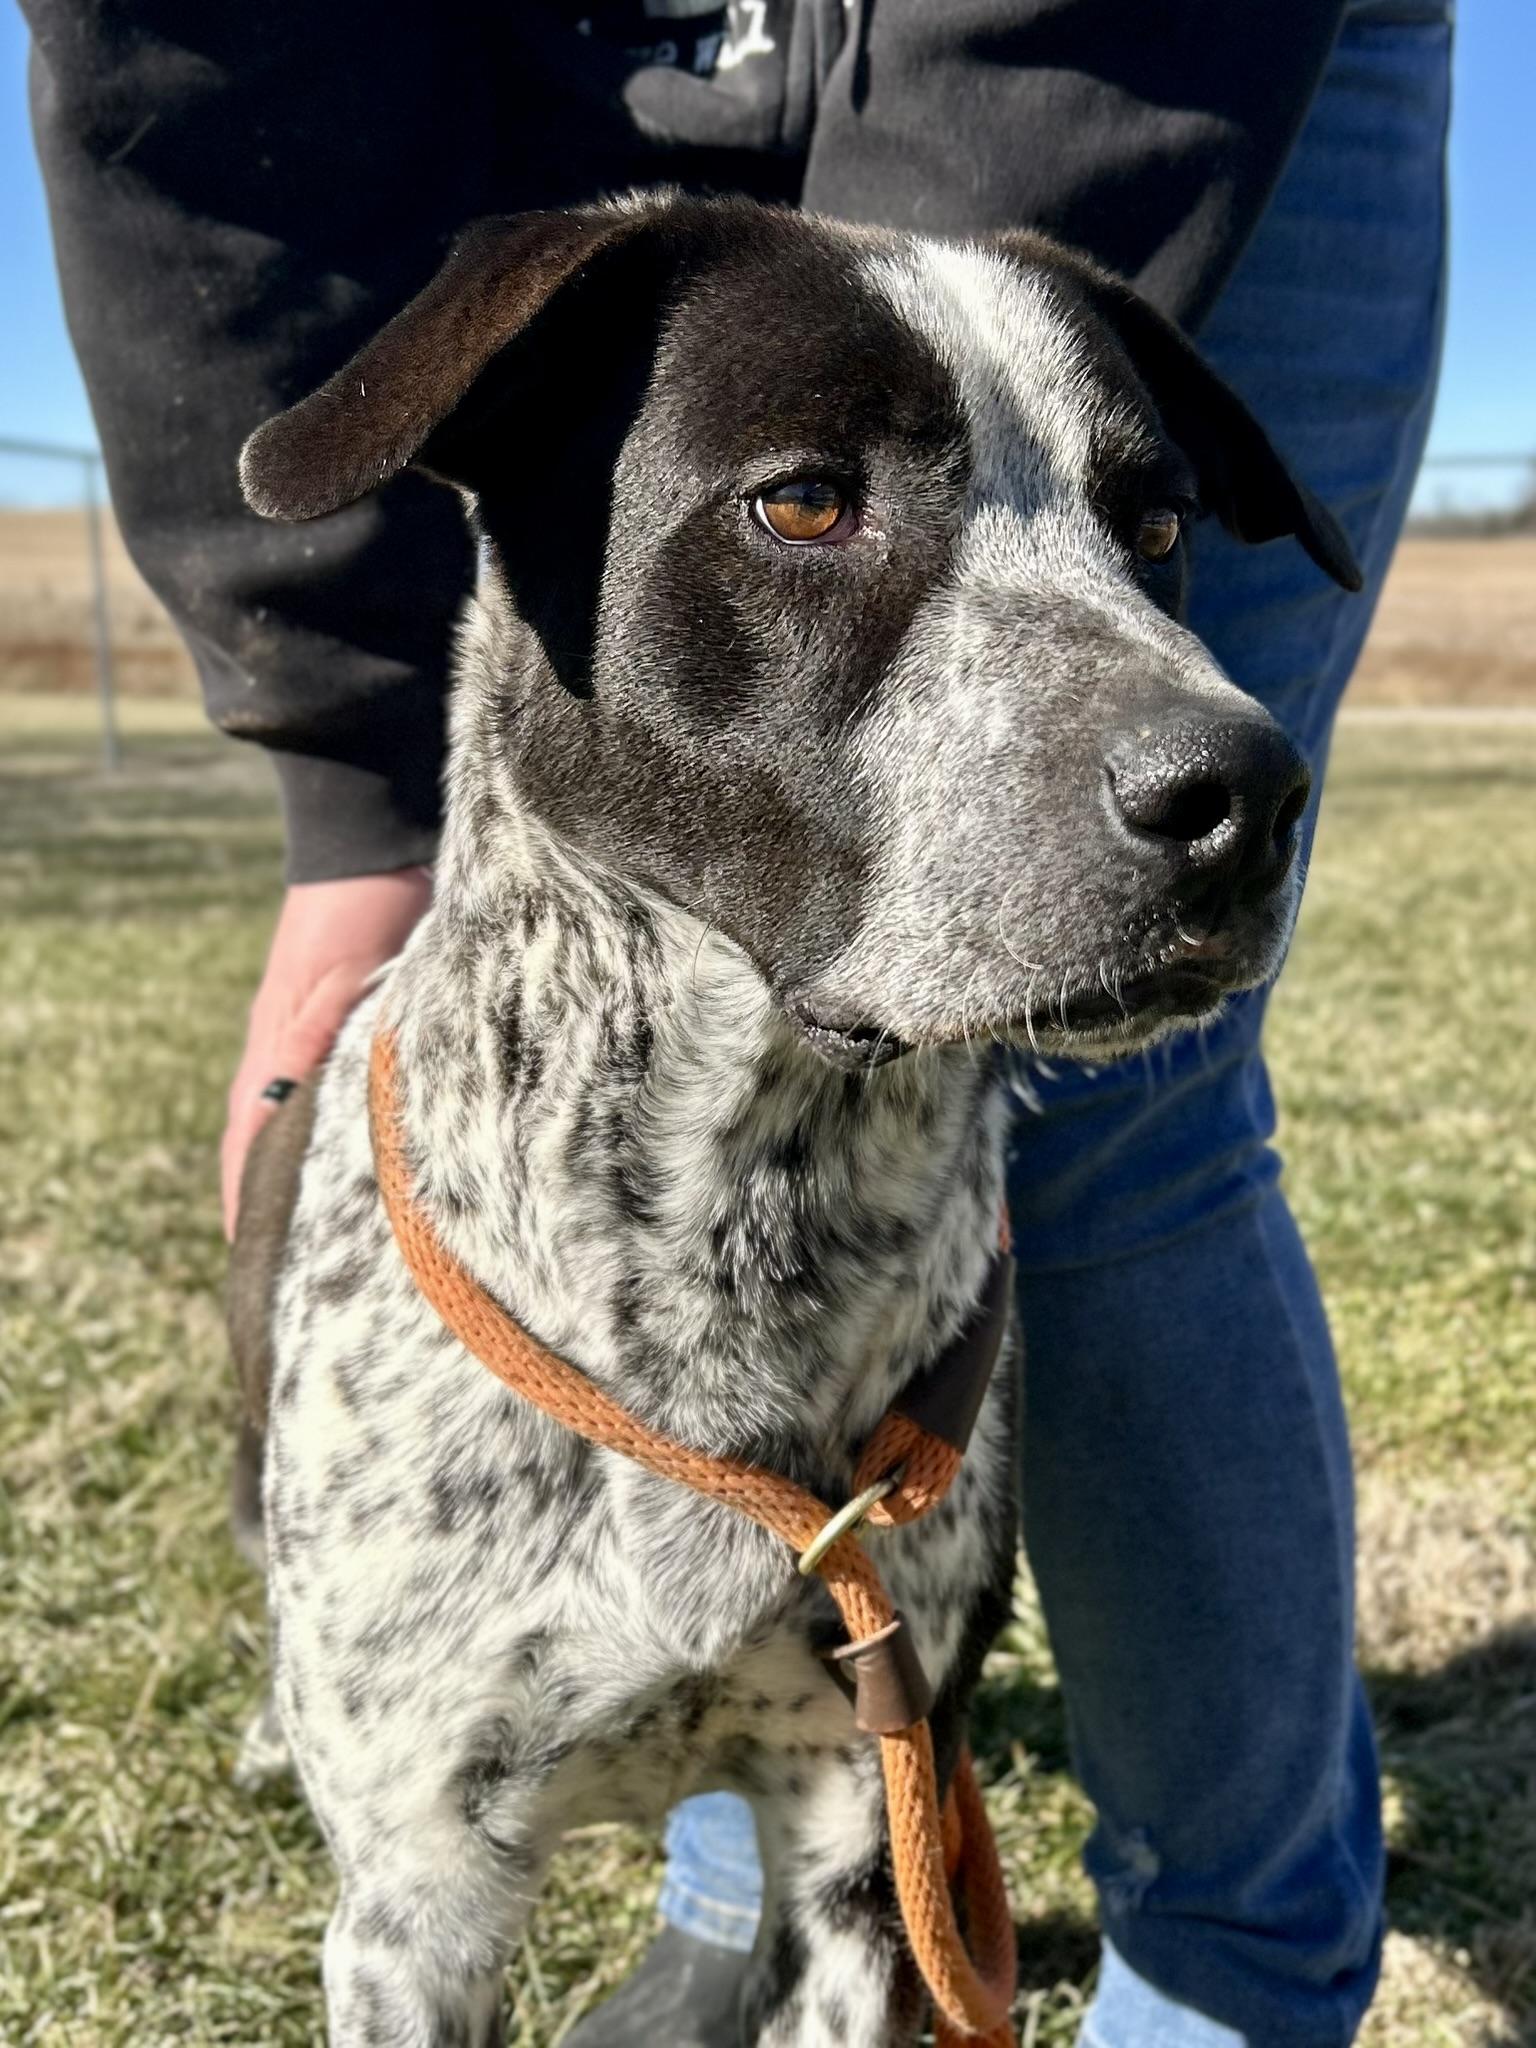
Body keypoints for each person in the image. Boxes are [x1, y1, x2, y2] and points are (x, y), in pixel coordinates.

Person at [26, 2, 1452, 2041]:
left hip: (1168, 48)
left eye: (1150, 546)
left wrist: (953, 371)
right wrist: (349, 790)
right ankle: (738, 1867)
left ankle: (1225, 1978)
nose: (1174, 701)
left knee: (1134, 1109)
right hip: (579, 67)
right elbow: (202, 71)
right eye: (809, 502)